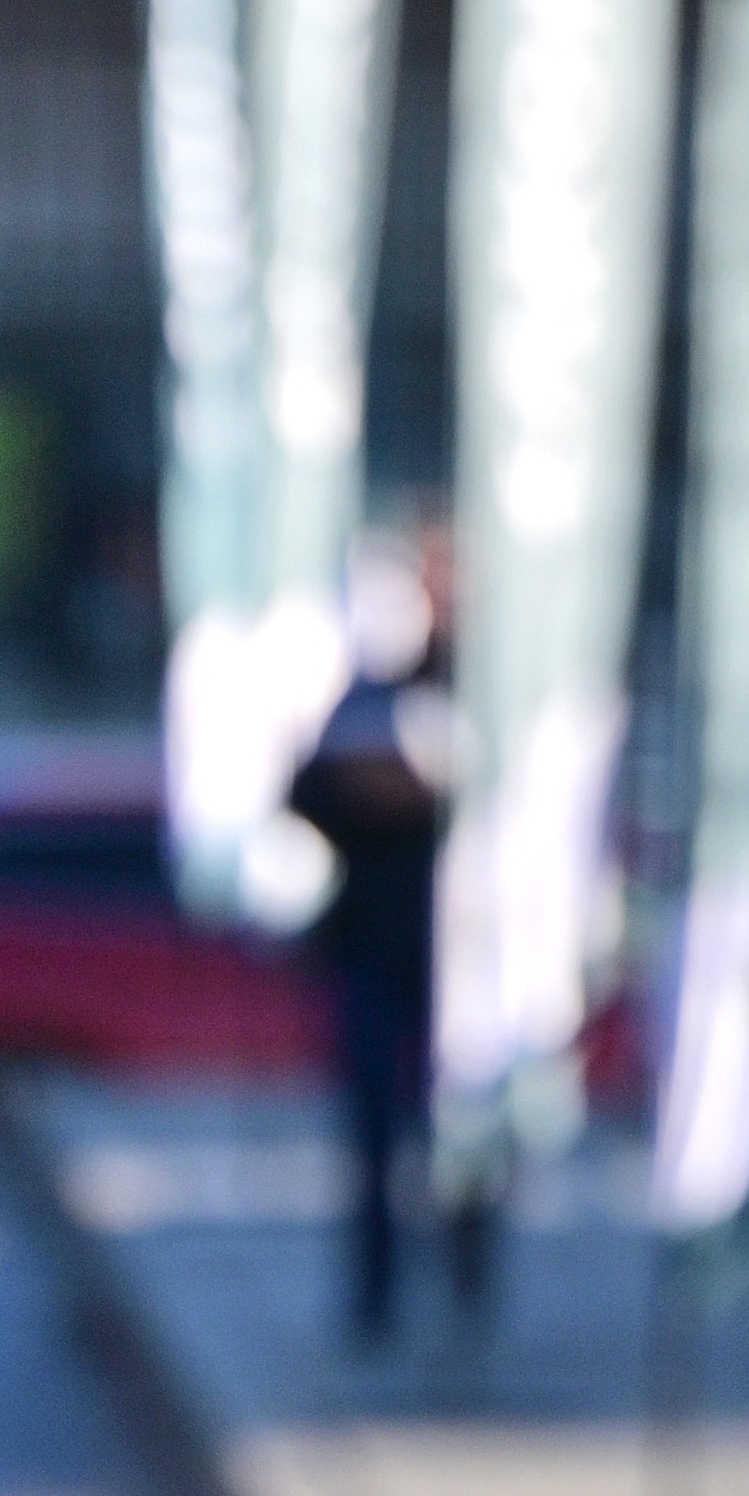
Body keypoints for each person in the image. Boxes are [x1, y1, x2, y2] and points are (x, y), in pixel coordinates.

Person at [286, 523, 481, 1347]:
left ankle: (467, 1283)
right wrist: (369, 794)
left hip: (463, 952)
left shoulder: (485, 683)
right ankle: (374, 1296)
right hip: (373, 943)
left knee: (467, 1126)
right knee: (372, 1135)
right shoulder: (363, 690)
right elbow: (302, 789)